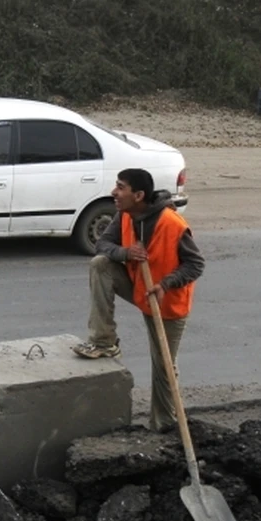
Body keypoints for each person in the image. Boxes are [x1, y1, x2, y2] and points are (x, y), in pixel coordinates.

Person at [71, 168, 205, 432]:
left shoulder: (172, 224)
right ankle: (104, 341)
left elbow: (195, 264)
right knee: (101, 264)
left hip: (167, 302)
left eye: (121, 187)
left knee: (164, 366)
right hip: (139, 287)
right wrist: (125, 252)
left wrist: (166, 283)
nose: (114, 192)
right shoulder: (125, 215)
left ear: (139, 194)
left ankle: (163, 425)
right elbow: (103, 246)